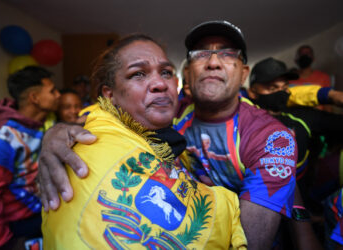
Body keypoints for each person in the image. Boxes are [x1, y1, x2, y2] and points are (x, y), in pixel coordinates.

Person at [38, 21, 297, 249]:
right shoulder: (171, 110)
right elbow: (104, 115)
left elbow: (250, 242)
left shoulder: (273, 139)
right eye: (200, 54)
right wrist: (56, 134)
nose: (214, 62)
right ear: (186, 74)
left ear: (244, 74)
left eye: (228, 54)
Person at [0, 66, 60, 249]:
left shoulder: (41, 125)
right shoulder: (4, 139)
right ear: (34, 98)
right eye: (52, 91)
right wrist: (1, 242)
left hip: (41, 213)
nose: (58, 95)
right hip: (19, 226)